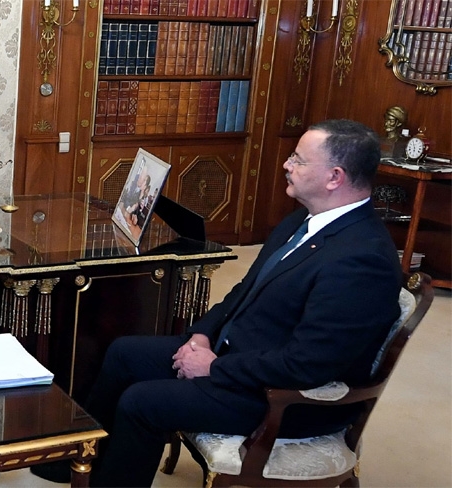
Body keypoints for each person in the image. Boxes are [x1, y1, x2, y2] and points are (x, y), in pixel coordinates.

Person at [31, 120, 402, 487]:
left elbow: (307, 365)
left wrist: (214, 367)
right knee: (124, 353)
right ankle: (83, 463)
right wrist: (202, 335)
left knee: (142, 402)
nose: (286, 164)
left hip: (283, 400)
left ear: (335, 177)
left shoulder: (362, 260)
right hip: (240, 356)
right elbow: (244, 291)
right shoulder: (301, 221)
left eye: (298, 160)